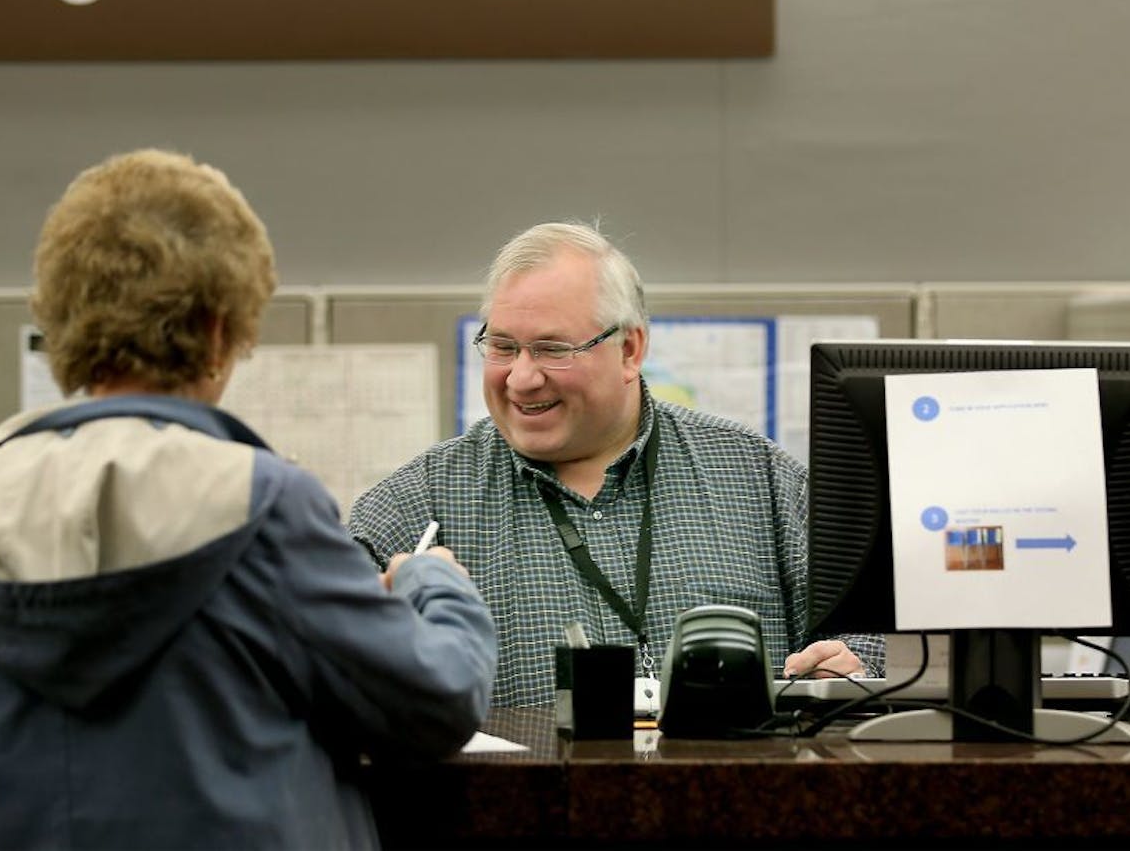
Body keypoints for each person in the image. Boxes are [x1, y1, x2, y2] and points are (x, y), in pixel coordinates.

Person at [0, 149, 496, 849]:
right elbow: (434, 703)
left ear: (64, 322)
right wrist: (432, 582)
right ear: (221, 330)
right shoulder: (262, 507)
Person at [349, 220, 884, 708]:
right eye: (503, 347)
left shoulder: (761, 481)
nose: (520, 378)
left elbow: (872, 635)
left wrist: (855, 662)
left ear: (629, 349)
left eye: (552, 350)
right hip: (520, 811)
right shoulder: (416, 506)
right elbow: (317, 659)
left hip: (729, 806)